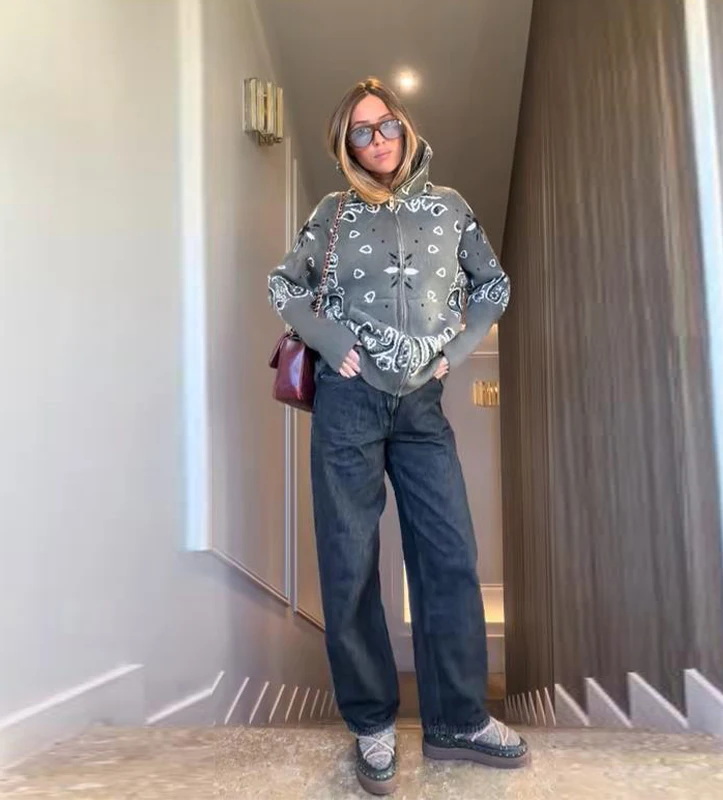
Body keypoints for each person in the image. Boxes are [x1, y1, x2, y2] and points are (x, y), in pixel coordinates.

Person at [268, 77, 527, 796]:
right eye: (361, 131)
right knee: (348, 563)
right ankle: (372, 721)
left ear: (404, 128)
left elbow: (493, 286)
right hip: (348, 404)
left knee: (449, 554)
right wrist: (331, 342)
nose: (377, 139)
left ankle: (458, 720)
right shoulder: (332, 213)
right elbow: (286, 286)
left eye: (385, 125)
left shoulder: (451, 208)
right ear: (345, 145)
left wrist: (458, 350)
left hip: (422, 407)